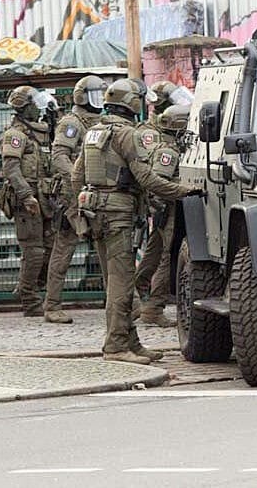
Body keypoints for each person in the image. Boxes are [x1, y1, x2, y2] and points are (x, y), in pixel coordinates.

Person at [71, 78, 199, 364]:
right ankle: (116, 346)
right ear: (132, 103)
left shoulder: (95, 132)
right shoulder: (128, 134)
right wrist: (187, 192)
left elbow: (76, 176)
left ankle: (131, 341)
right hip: (117, 214)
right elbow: (148, 179)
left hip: (95, 212)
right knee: (121, 283)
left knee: (114, 280)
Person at [42, 76, 108, 324]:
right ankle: (52, 305)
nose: (99, 99)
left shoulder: (100, 121)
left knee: (108, 248)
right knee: (65, 247)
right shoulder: (72, 123)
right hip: (73, 196)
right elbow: (59, 156)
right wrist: (77, 181)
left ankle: (123, 302)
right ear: (82, 96)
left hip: (96, 194)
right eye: (95, 93)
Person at [133, 100, 192, 328]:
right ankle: (153, 308)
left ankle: (136, 297)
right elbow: (158, 182)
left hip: (164, 210)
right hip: (167, 210)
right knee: (166, 257)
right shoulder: (168, 151)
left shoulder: (170, 147)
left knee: (153, 254)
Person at [0, 86, 56, 318]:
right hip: (28, 199)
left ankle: (26, 286)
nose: (39, 108)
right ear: (24, 108)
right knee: (34, 251)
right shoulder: (16, 135)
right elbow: (11, 169)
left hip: (44, 198)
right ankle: (30, 300)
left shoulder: (40, 132)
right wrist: (25, 195)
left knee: (51, 248)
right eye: (35, 104)